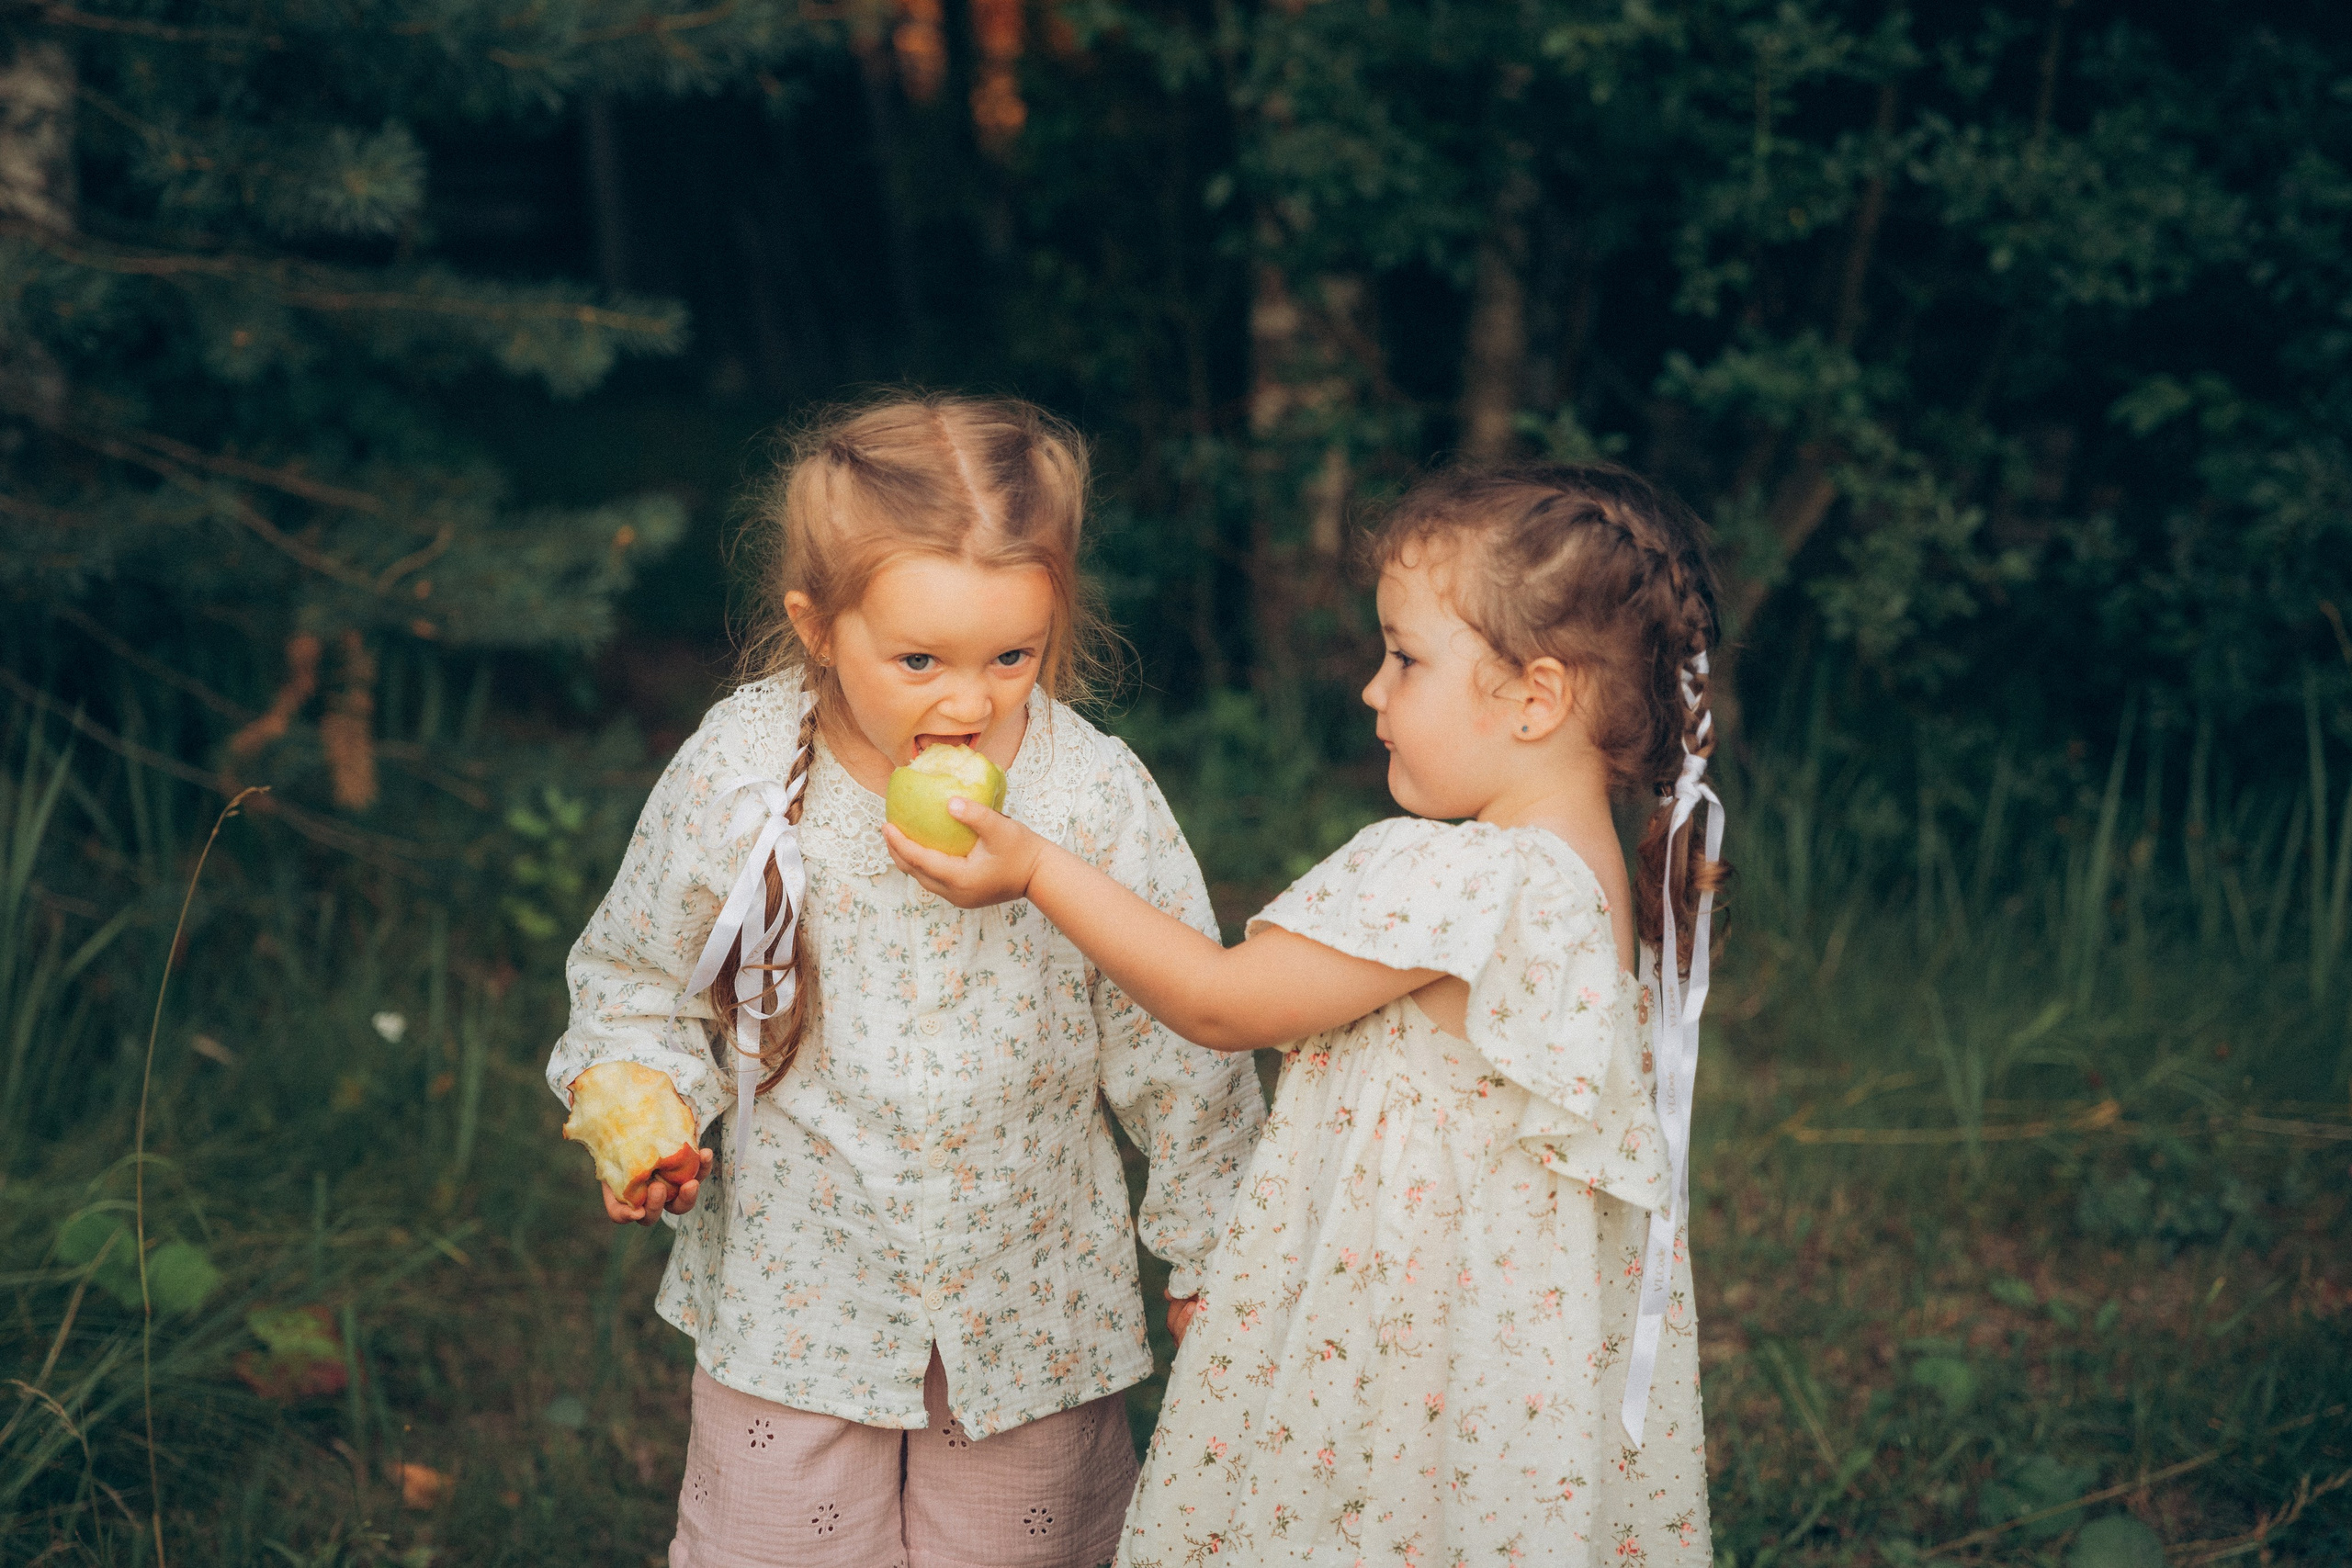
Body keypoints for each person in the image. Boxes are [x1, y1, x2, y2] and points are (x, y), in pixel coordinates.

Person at [890, 460, 1729, 1566]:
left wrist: (1036, 869)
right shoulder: (1592, 879)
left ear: (1536, 697)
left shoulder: (1458, 879)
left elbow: (1218, 1001)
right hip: (1495, 1370)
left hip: (1388, 1349)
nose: (1373, 691)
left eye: (1405, 658)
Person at [546, 393, 1267, 1568]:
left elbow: (1178, 1031)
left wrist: (1212, 1248)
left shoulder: (1088, 799)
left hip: (1028, 1300)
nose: (968, 702)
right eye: (919, 659)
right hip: (802, 1295)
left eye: (1011, 657)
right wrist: (649, 1109)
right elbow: (644, 983)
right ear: (819, 626)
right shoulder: (740, 773)